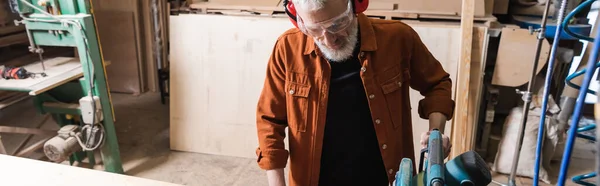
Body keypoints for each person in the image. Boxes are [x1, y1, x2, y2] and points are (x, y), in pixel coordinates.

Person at [254, 0, 455, 185]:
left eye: (337, 24)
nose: (329, 39)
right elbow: (269, 121)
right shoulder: (287, 49)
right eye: (314, 29)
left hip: (387, 178)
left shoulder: (398, 39)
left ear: (355, 5)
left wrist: (435, 136)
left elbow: (437, 84)